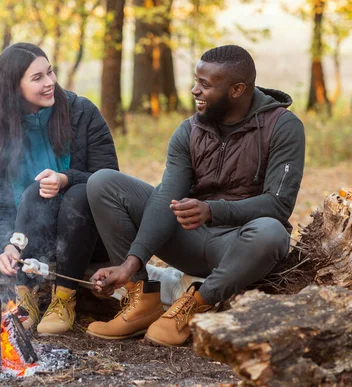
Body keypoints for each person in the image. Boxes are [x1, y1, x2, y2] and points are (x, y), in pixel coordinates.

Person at [85, 45, 305, 346]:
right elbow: (167, 198)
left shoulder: (283, 127)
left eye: (205, 84)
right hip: (189, 239)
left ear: (237, 89)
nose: (194, 90)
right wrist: (130, 264)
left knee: (271, 231)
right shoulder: (188, 131)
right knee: (104, 183)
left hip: (240, 246)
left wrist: (213, 211)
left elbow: (279, 205)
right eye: (195, 80)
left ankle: (194, 304)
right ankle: (141, 300)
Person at [0, 42, 118, 335]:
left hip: (88, 231)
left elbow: (109, 179)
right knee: (33, 194)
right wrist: (6, 244)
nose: (50, 83)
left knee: (75, 192)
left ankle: (64, 297)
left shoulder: (82, 113)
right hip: (31, 237)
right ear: (13, 87)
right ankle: (25, 296)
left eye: (50, 72)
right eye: (37, 78)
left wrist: (66, 179)